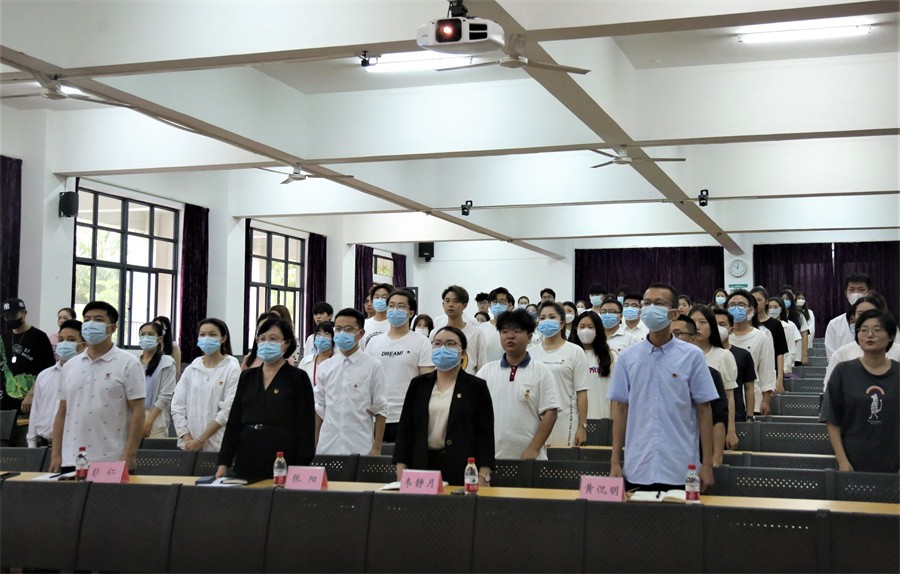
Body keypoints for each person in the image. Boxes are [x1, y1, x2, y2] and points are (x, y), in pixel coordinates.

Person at [608, 283, 718, 492]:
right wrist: (615, 461)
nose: (651, 308)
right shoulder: (627, 358)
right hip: (638, 465)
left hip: (681, 467)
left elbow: (704, 410)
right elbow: (620, 409)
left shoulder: (692, 356)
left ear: (674, 313)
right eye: (647, 303)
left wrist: (708, 464)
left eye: (659, 303)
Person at [49, 301, 145, 473]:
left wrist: (130, 453)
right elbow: (62, 413)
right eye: (87, 320)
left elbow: (138, 411)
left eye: (98, 320)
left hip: (112, 458)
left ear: (112, 328)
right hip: (72, 458)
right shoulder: (70, 365)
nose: (91, 324)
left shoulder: (128, 363)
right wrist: (56, 454)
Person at [393, 326, 495, 486]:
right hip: (422, 465)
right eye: (438, 343)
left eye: (450, 344)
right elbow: (406, 428)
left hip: (461, 466)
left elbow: (485, 434)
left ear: (462, 353)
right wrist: (400, 467)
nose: (443, 348)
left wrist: (484, 473)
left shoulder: (476, 387)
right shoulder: (418, 384)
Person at [216, 317, 315, 481]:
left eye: (273, 339)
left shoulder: (297, 377)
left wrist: (301, 464)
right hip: (247, 456)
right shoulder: (247, 377)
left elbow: (305, 425)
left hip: (283, 458)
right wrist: (224, 461)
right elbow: (234, 421)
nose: (266, 343)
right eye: (262, 339)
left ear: (286, 344)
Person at [820, 309, 898, 473]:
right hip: (852, 460)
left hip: (893, 462)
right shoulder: (843, 371)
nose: (870, 335)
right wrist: (842, 461)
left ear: (891, 335)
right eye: (863, 330)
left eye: (877, 330)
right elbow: (831, 419)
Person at [477, 308, 560, 460]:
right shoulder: (486, 372)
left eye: (517, 331)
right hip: (491, 458)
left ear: (529, 337)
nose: (510, 336)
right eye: (504, 331)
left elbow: (551, 412)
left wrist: (534, 448)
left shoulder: (541, 371)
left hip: (530, 458)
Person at [315, 308, 388, 455]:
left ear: (360, 333)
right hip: (327, 446)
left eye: (348, 329)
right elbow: (319, 409)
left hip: (360, 446)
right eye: (338, 329)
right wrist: (315, 445)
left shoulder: (373, 366)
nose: (342, 333)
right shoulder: (325, 367)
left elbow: (380, 410)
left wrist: (377, 448)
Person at [365, 289, 434, 443]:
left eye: (401, 306)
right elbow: (366, 378)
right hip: (376, 416)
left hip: (407, 416)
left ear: (411, 313)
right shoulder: (374, 342)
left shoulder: (421, 342)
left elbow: (427, 383)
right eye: (391, 305)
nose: (394, 310)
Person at [171, 318, 240, 453]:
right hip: (189, 444)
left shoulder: (232, 368)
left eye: (212, 334)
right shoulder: (192, 368)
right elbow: (177, 405)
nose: (206, 338)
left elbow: (227, 410)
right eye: (202, 335)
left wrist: (201, 439)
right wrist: (186, 437)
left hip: (218, 444)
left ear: (223, 338)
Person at [674, 314, 732, 467]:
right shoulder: (656, 373)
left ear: (693, 339)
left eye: (678, 334)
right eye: (670, 334)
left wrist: (716, 456)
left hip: (696, 451)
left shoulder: (710, 374)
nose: (673, 339)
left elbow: (718, 418)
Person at [531, 301, 589, 447]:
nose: (546, 321)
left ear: (562, 323)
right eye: (542, 318)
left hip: (565, 420)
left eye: (552, 317)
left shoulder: (575, 351)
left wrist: (582, 426)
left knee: (561, 460)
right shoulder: (530, 353)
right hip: (535, 421)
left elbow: (581, 392)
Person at [688, 305, 739, 452]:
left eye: (703, 322)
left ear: (712, 326)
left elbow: (729, 397)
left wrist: (731, 430)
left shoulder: (723, 355)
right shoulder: (681, 355)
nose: (697, 326)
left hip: (712, 423)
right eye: (693, 322)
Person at [27, 320, 84, 448]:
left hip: (72, 445)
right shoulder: (44, 375)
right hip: (43, 444)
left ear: (83, 345)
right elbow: (35, 411)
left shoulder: (86, 376)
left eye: (71, 340)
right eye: (61, 340)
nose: (64, 344)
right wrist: (31, 443)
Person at [823, 295, 900, 389]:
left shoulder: (897, 352)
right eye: (860, 313)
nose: (866, 317)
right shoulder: (842, 354)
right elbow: (830, 390)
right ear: (853, 317)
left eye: (871, 313)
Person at [726, 289, 775, 416]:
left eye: (741, 305)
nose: (736, 308)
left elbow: (767, 370)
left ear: (750, 310)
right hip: (726, 400)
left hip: (754, 399)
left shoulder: (761, 336)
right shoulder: (723, 335)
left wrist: (766, 400)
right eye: (732, 305)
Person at [1, 297, 55, 415]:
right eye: (7, 317)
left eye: (13, 315)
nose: (10, 319)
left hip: (30, 401)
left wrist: (31, 394)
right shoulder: (3, 338)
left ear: (24, 313)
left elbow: (48, 370)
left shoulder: (39, 337)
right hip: (6, 400)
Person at [568, 311, 616, 419]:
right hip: (574, 419)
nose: (586, 331)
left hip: (603, 417)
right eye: (582, 327)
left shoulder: (610, 356)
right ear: (576, 329)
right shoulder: (568, 354)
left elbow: (615, 393)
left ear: (598, 330)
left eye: (590, 327)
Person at [713, 308, 756, 423]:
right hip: (711, 415)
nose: (717, 328)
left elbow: (749, 387)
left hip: (737, 415)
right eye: (714, 324)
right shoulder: (701, 353)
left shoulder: (743, 355)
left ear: (731, 329)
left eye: (722, 324)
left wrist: (750, 416)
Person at [433, 285, 488, 375]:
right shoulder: (435, 334)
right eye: (447, 301)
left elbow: (482, 366)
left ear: (464, 305)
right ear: (443, 304)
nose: (451, 305)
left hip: (470, 381)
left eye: (456, 301)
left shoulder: (477, 334)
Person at [137, 322, 176, 438]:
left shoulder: (167, 362)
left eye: (150, 334)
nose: (145, 338)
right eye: (142, 334)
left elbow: (165, 395)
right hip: (134, 416)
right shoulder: (134, 362)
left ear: (159, 339)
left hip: (155, 418)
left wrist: (148, 421)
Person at [825, 273, 872, 360]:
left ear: (869, 293)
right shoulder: (834, 324)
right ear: (846, 293)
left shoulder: (882, 322)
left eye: (861, 290)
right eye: (852, 290)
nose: (856, 293)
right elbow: (832, 357)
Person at [750, 286, 788, 394]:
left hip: (770, 371)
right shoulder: (747, 323)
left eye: (759, 300)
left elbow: (780, 353)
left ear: (766, 301)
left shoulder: (775, 324)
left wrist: (779, 378)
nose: (756, 303)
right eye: (753, 300)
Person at [767, 297, 801, 375]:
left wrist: (783, 369)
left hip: (783, 369)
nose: (772, 310)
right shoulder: (761, 327)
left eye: (775, 307)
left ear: (781, 309)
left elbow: (792, 352)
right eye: (769, 307)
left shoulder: (788, 327)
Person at [480, 287, 514, 363]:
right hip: (486, 369)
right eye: (494, 302)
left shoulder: (515, 329)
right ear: (490, 305)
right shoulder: (482, 329)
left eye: (502, 302)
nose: (498, 305)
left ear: (509, 305)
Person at [299, 320, 334, 387]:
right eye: (318, 334)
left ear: (333, 339)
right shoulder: (305, 362)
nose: (321, 337)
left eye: (326, 334)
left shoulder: (338, 362)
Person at [780, 290, 809, 366]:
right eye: (783, 299)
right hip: (781, 354)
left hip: (796, 354)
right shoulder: (776, 316)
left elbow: (805, 335)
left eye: (787, 299)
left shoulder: (799, 316)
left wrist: (804, 355)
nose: (785, 301)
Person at [363, 283, 393, 347]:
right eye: (376, 297)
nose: (379, 300)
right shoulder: (364, 324)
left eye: (384, 297)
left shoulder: (394, 324)